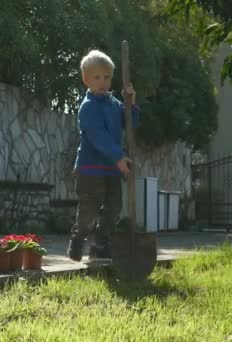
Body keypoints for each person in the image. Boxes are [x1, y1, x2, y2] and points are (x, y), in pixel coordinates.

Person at [67, 49, 140, 262]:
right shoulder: (87, 107)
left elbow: (130, 124)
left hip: (111, 169)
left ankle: (101, 243)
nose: (103, 81)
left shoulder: (114, 104)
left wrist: (131, 104)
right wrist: (118, 156)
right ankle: (79, 237)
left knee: (114, 208)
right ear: (86, 79)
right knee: (89, 209)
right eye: (97, 77)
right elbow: (98, 137)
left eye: (107, 77)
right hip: (90, 169)